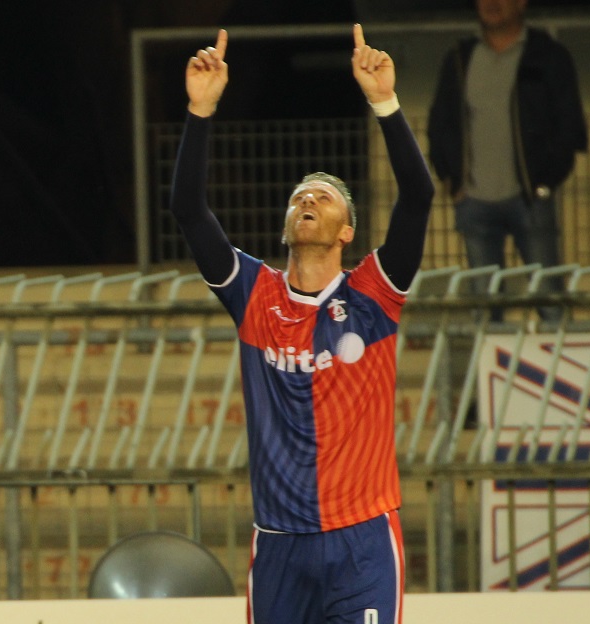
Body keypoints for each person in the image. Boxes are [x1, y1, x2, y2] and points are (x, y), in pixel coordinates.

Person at [171, 26, 433, 624]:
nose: (308, 201)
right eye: (298, 198)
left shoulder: (373, 295)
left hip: (362, 540)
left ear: (347, 231)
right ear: (287, 225)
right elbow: (188, 209)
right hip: (280, 546)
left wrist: (385, 103)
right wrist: (200, 110)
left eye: (324, 197)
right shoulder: (254, 294)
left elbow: (418, 196)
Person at [427, 0, 587, 322]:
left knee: (549, 298)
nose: (491, 3)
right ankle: (493, 357)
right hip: (473, 201)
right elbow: (440, 122)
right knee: (485, 307)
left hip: (531, 198)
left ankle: (560, 353)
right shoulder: (460, 58)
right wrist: (451, 179)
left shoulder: (547, 55)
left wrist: (545, 183)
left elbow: (569, 124)